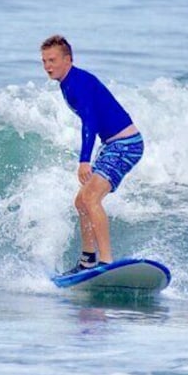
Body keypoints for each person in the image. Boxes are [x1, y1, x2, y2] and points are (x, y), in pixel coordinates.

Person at [40, 35, 144, 273]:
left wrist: (84, 160)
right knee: (81, 201)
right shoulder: (68, 82)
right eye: (44, 61)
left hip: (126, 144)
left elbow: (91, 121)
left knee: (90, 199)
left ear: (68, 59)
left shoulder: (78, 83)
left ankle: (106, 262)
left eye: (53, 60)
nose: (47, 66)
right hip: (113, 145)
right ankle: (88, 260)